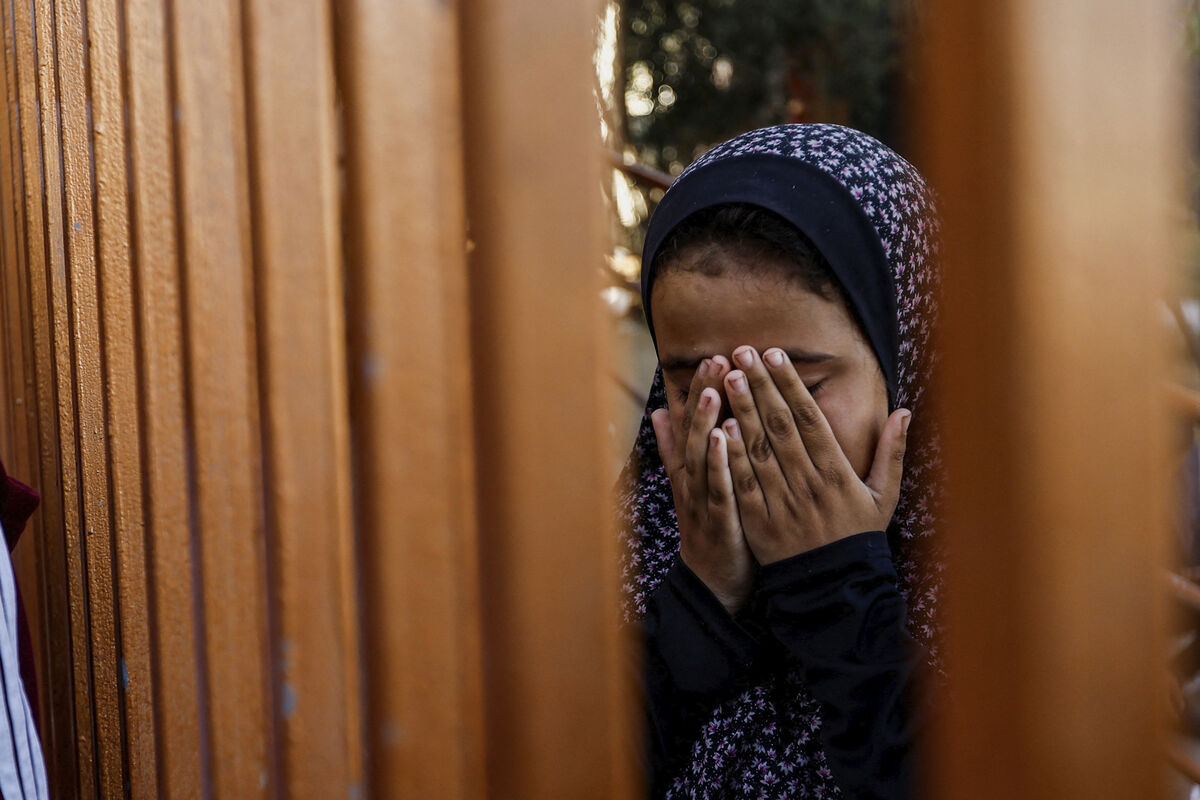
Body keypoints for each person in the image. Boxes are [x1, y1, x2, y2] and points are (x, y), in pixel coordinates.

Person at [616, 123, 942, 799]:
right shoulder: (642, 543)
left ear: (908, 355)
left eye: (800, 385)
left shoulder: (1012, 582)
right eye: (695, 387)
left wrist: (840, 592)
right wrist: (700, 599)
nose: (747, 428)